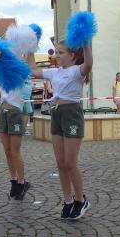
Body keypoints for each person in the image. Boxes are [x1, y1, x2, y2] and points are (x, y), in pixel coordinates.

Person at [27, 39, 93, 220]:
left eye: (61, 52)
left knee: (70, 162)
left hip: (71, 113)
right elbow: (32, 70)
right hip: (56, 113)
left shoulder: (77, 71)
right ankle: (68, 200)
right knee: (61, 162)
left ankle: (80, 200)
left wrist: (85, 45)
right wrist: (30, 49)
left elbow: (88, 64)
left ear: (72, 55)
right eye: (56, 52)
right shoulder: (55, 72)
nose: (57, 55)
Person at [0, 77, 31, 201]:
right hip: (3, 111)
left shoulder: (17, 73)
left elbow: (26, 89)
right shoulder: (0, 74)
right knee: (7, 151)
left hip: (15, 111)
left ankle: (22, 182)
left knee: (14, 151)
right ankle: (14, 180)